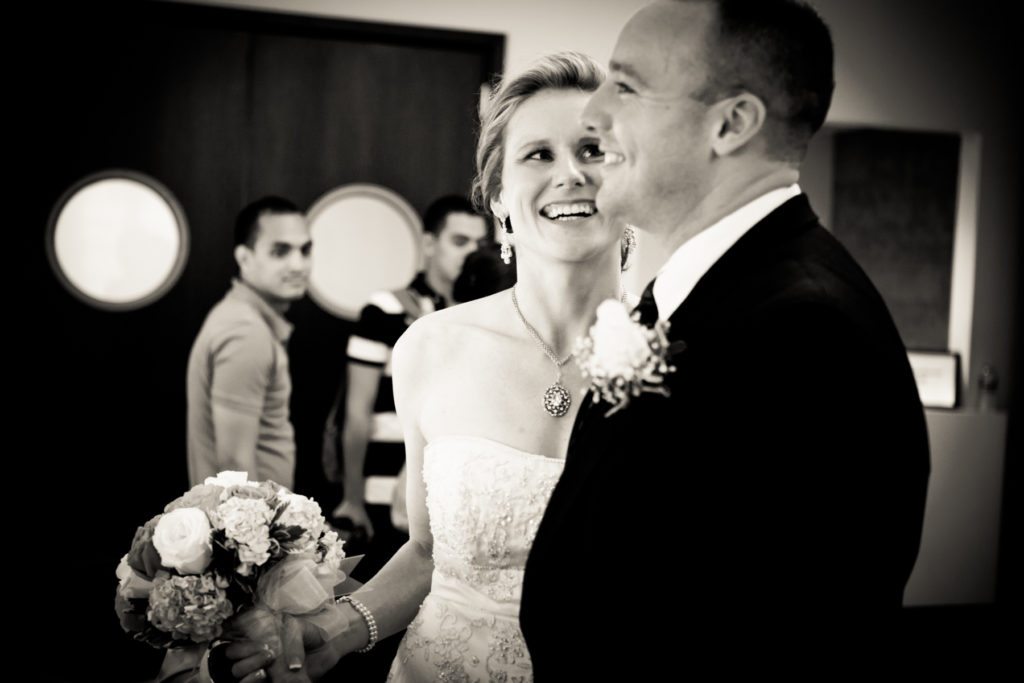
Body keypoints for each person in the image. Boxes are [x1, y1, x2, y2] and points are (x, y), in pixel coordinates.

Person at [520, 0, 931, 676]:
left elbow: (779, 628)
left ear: (731, 123)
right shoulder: (706, 294)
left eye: (624, 86)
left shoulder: (804, 332)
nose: (592, 113)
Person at [224, 51, 630, 682]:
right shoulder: (430, 346)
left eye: (594, 150)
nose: (570, 173)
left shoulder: (691, 354)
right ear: (497, 198)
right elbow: (427, 552)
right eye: (539, 155)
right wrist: (332, 630)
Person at [321, 195, 488, 576]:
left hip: (450, 496)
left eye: (479, 244)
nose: (470, 254)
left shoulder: (480, 316)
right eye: (459, 241)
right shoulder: (384, 309)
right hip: (381, 486)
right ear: (429, 244)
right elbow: (357, 412)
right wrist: (352, 497)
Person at [186, 195, 311, 490]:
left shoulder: (245, 321)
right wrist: (258, 536)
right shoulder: (246, 332)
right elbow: (234, 465)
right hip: (249, 527)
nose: (298, 264)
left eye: (305, 250)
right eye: (280, 251)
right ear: (244, 258)